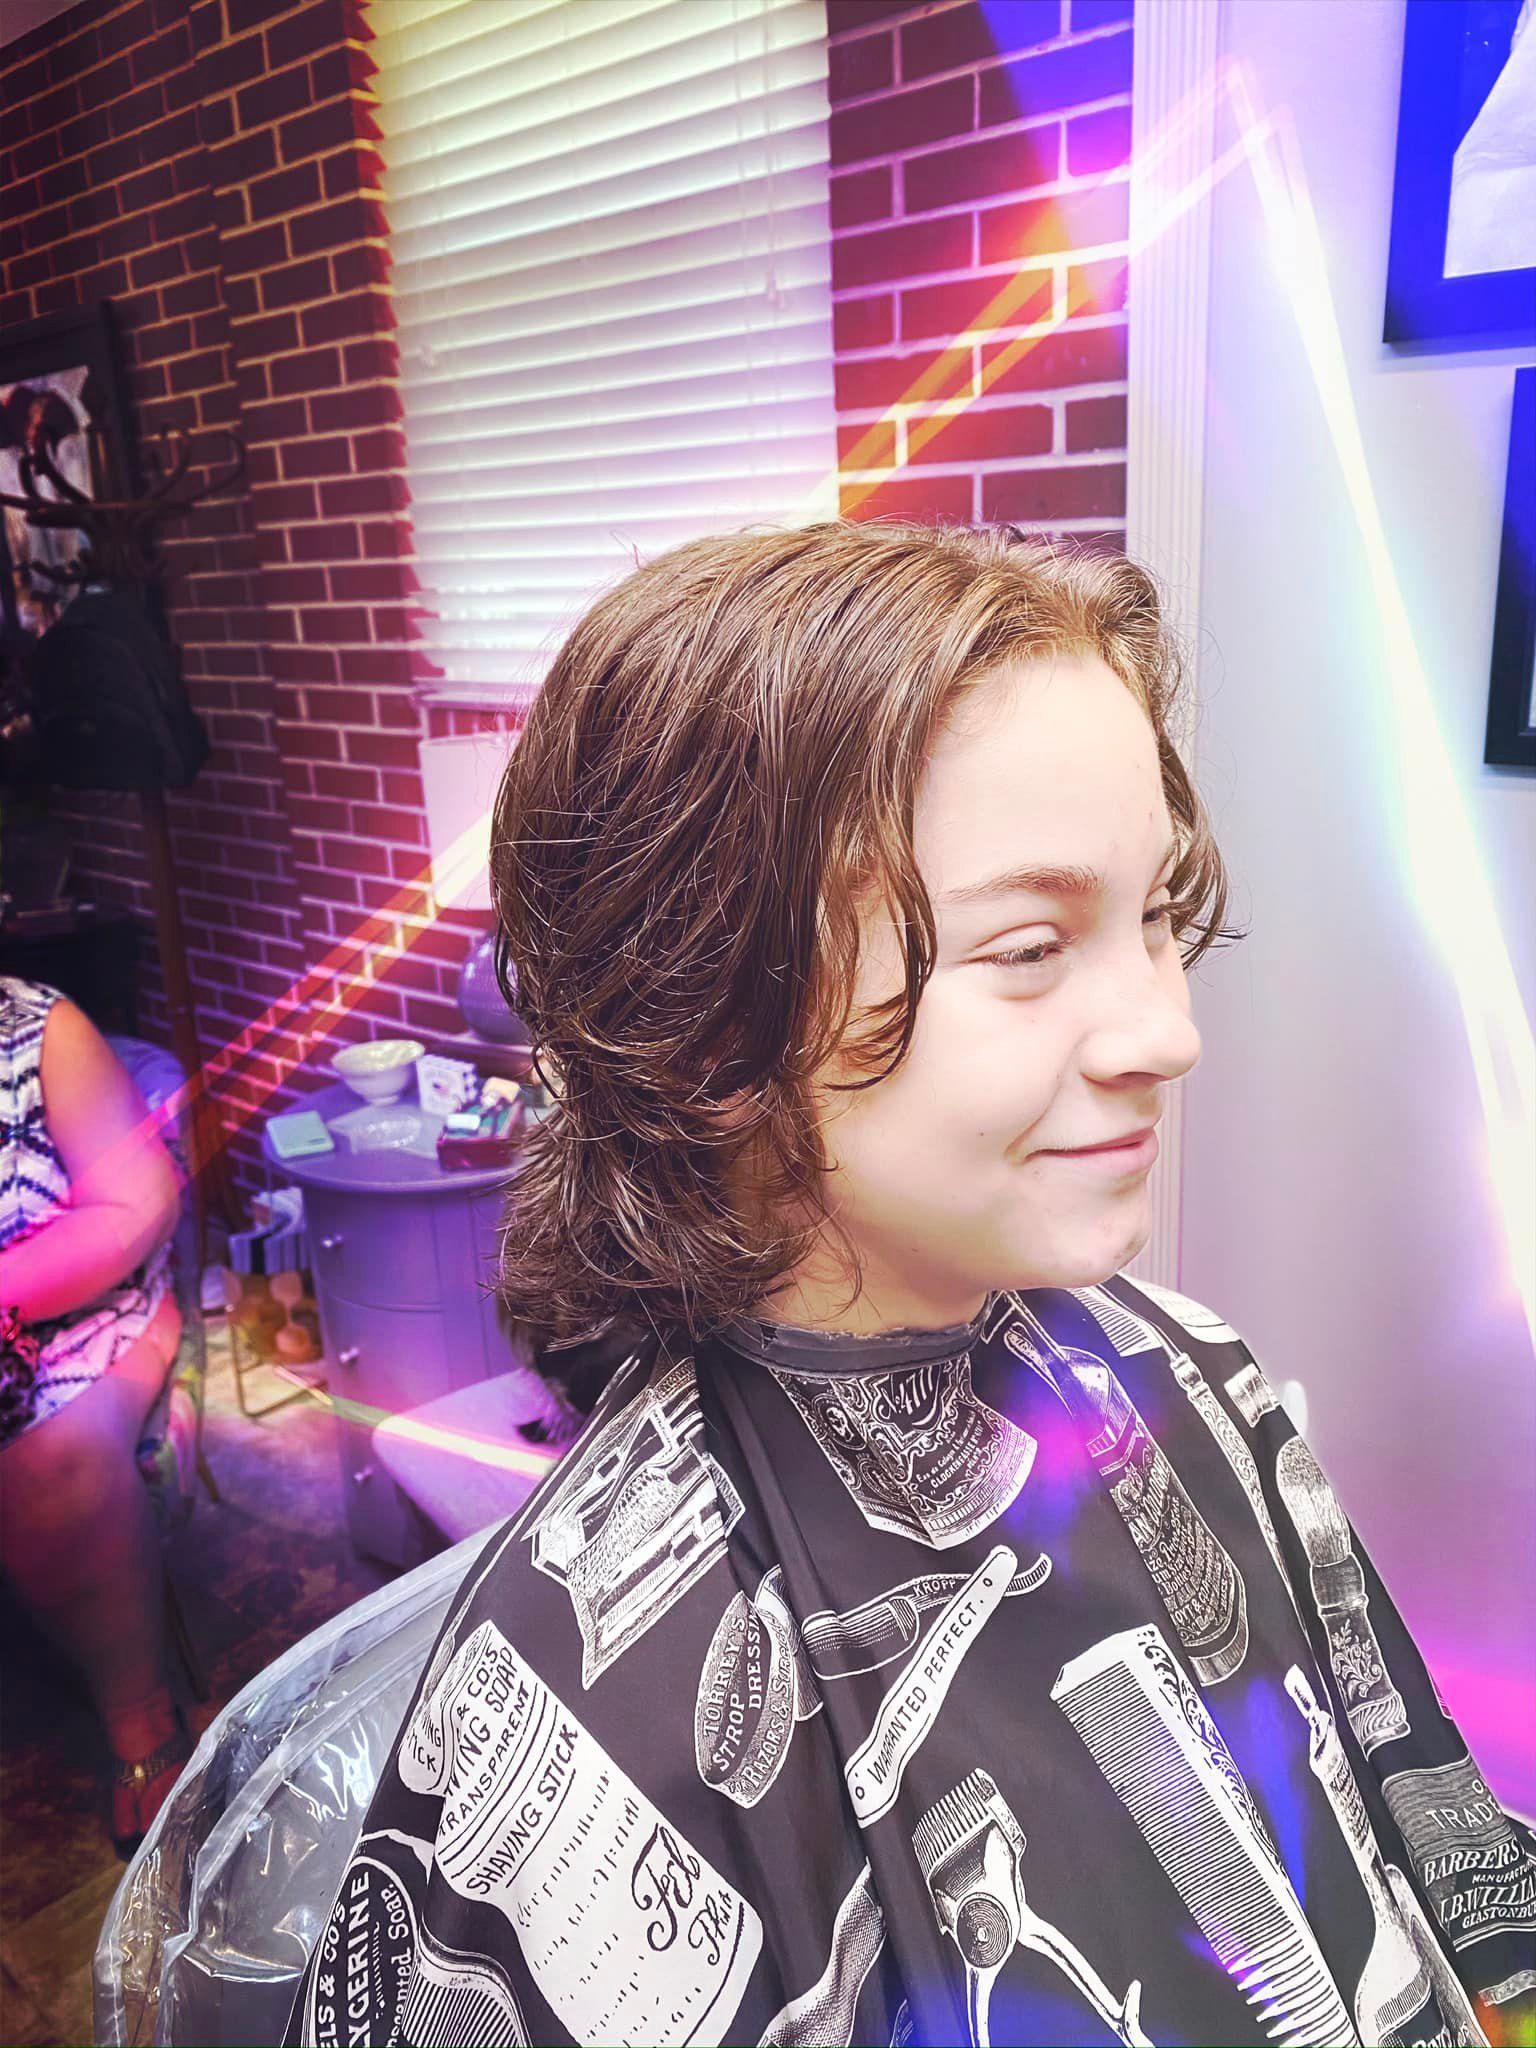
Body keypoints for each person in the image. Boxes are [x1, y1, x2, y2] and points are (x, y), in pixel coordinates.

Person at [282, 523, 1536, 2048]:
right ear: (706, 1002)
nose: (1167, 1030)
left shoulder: (1194, 1369)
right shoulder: (608, 1705)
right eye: (1028, 947)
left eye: (1156, 919)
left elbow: (1436, 1867)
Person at [0, 976, 191, 1856]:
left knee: (48, 1461)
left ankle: (143, 1722)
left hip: (82, 1313)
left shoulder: (41, 1032)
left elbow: (139, 1202)